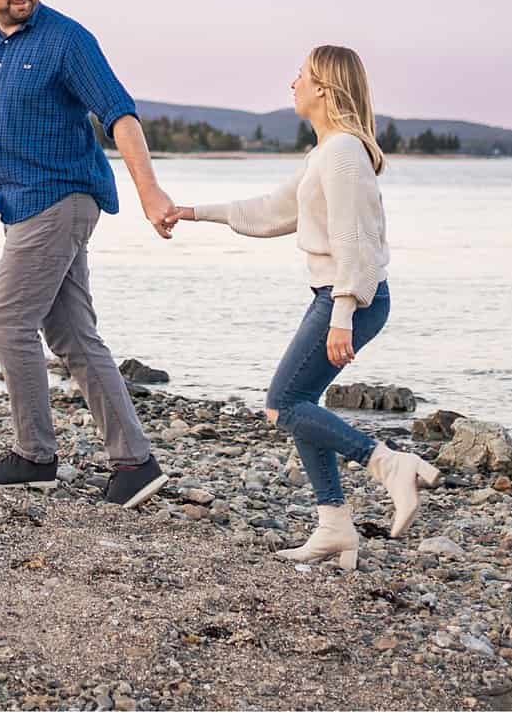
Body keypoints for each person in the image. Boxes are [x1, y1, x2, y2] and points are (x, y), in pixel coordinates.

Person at [0, 0, 176, 508]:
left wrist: (149, 191)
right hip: (19, 206)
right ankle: (135, 463)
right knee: (71, 334)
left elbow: (119, 112)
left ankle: (34, 456)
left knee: (8, 321)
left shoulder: (66, 40)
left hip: (60, 197)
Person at [165, 44, 437, 569]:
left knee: (284, 405)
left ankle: (388, 464)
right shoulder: (327, 153)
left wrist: (341, 316)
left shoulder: (342, 155)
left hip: (349, 297)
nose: (292, 84)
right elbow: (271, 211)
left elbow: (353, 242)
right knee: (303, 407)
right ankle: (335, 526)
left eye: (301, 75)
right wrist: (193, 213)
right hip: (342, 295)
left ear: (324, 89)